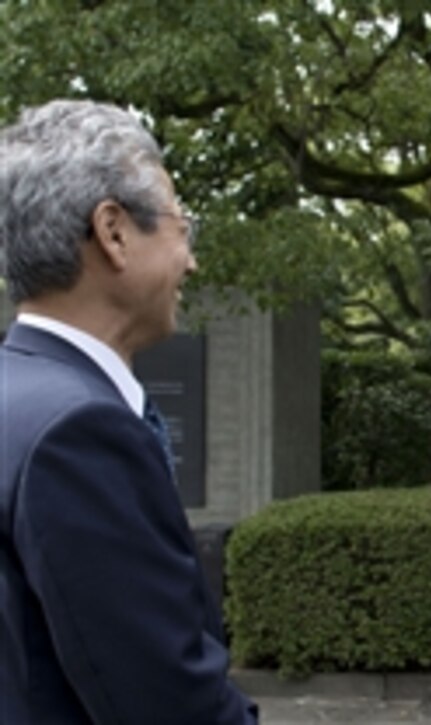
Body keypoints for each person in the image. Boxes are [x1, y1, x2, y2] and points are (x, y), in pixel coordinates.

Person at [0, 100, 257, 723]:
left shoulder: (19, 400)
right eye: (181, 226)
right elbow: (167, 700)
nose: (191, 260)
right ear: (113, 232)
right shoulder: (80, 433)